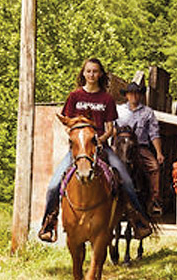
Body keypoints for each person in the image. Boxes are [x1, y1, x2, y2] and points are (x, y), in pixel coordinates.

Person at [38, 58, 153, 243]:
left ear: (100, 74)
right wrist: (79, 139)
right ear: (83, 73)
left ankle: (138, 221)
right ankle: (49, 224)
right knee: (53, 185)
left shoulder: (106, 98)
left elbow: (110, 129)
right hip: (79, 151)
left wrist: (97, 141)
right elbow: (67, 124)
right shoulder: (75, 96)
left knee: (127, 180)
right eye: (88, 71)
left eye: (95, 71)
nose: (92, 75)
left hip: (101, 148)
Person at [116, 82, 165, 216]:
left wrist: (159, 152)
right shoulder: (118, 110)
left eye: (137, 93)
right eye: (131, 93)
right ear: (126, 95)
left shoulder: (148, 112)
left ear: (141, 95)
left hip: (140, 147)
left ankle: (155, 200)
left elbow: (154, 133)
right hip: (121, 147)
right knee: (109, 166)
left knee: (154, 167)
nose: (134, 96)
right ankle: (108, 196)